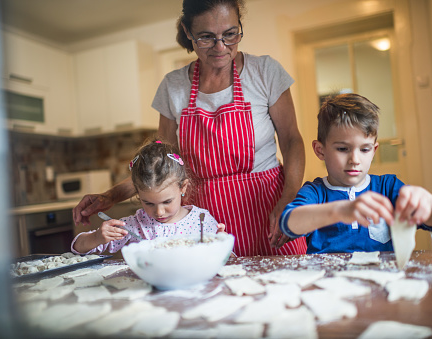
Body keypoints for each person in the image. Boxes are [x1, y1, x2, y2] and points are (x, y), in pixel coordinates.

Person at [73, 0, 307, 257]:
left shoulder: (265, 72)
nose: (221, 47)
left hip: (266, 207)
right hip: (202, 221)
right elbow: (159, 165)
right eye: (206, 37)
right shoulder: (172, 86)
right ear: (188, 32)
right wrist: (109, 197)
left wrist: (289, 197)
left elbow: (292, 140)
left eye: (230, 34)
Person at [279, 93, 432, 254]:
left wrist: (427, 201)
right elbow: (288, 222)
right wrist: (340, 211)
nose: (355, 159)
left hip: (382, 279)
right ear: (320, 150)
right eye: (343, 149)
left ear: (374, 150)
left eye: (365, 149)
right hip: (331, 282)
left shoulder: (387, 187)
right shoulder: (315, 192)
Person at [71, 140, 225, 255]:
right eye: (148, 203)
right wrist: (97, 237)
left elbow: (225, 260)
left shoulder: (201, 220)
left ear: (182, 187)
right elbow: (78, 247)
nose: (159, 212)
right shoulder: (135, 225)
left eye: (167, 201)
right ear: (137, 192)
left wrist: (223, 245)